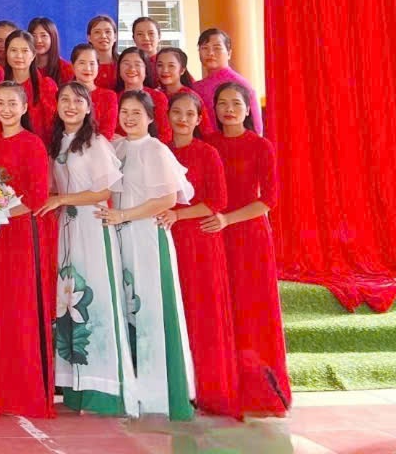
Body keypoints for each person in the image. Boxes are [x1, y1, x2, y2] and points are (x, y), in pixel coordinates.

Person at [36, 82, 136, 416]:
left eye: (78, 101)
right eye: (64, 100)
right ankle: (76, 388)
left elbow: (104, 191)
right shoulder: (58, 142)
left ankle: (104, 390)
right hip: (67, 228)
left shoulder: (95, 142)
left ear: (89, 107)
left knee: (97, 300)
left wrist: (62, 199)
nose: (70, 105)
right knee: (69, 300)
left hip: (92, 227)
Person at [97, 91, 195, 419]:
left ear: (151, 117)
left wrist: (124, 215)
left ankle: (162, 394)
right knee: (128, 308)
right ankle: (133, 390)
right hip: (121, 235)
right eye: (124, 111)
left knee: (152, 309)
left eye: (136, 112)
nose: (129, 118)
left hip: (147, 237)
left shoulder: (155, 149)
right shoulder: (119, 147)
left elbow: (167, 199)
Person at [208, 82, 291, 415]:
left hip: (249, 235)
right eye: (222, 103)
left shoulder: (260, 146)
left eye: (236, 103)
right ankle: (221, 386)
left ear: (247, 109)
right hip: (213, 234)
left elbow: (268, 200)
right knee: (221, 309)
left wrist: (228, 219)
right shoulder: (208, 144)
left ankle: (261, 389)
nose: (229, 109)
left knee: (254, 309)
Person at [158, 90, 241, 419]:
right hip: (165, 238)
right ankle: (178, 387)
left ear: (199, 119)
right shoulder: (160, 151)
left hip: (199, 240)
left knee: (202, 312)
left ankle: (209, 388)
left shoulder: (207, 153)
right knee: (174, 312)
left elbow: (217, 201)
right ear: (167, 116)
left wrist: (178, 214)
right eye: (176, 112)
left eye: (189, 114)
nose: (182, 119)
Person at [0, 82, 56, 419]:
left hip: (22, 236)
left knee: (22, 309)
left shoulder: (33, 144)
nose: (6, 109)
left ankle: (26, 393)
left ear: (25, 107)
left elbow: (37, 197)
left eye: (13, 103)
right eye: (0, 102)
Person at [193, 29, 263, 135]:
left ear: (229, 53)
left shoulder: (240, 85)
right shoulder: (196, 87)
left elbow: (256, 129)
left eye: (217, 48)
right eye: (204, 48)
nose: (210, 53)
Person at [1, 30, 58, 143]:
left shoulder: (46, 86)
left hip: (40, 148)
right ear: (6, 53)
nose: (19, 56)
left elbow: (54, 126)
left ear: (33, 55)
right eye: (13, 50)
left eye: (25, 51)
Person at [116, 47, 171, 144]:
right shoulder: (114, 98)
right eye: (126, 64)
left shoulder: (158, 98)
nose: (132, 69)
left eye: (137, 64)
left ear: (146, 69)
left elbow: (166, 135)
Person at [71, 42, 119, 140]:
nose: (88, 68)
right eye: (82, 63)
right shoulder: (64, 95)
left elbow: (107, 133)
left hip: (99, 147)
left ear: (98, 66)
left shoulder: (109, 96)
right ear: (73, 66)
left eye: (92, 63)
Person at [28, 16, 74, 85]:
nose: (38, 40)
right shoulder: (24, 66)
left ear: (53, 38)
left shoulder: (66, 69)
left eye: (43, 36)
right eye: (34, 36)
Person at [86, 15, 119, 90]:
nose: (103, 36)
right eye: (97, 32)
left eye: (108, 32)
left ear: (115, 37)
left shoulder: (123, 64)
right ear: (89, 38)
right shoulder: (83, 66)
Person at [131, 16, 163, 88]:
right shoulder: (128, 64)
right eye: (140, 34)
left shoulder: (169, 61)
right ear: (133, 38)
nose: (146, 38)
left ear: (159, 36)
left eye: (151, 33)